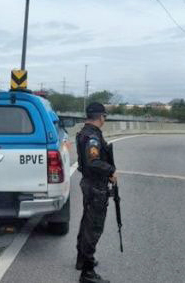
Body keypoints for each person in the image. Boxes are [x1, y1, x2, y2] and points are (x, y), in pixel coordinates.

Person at [75, 102, 117, 283]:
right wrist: (110, 171)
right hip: (95, 186)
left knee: (87, 222)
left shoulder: (84, 132)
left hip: (89, 184)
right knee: (94, 227)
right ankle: (87, 272)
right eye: (105, 116)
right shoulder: (92, 136)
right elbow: (93, 162)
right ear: (101, 117)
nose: (105, 119)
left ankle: (82, 259)